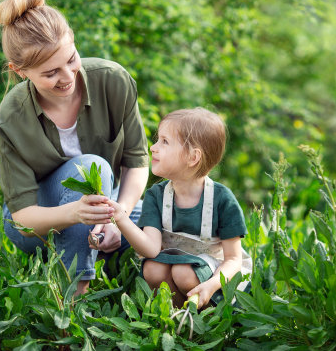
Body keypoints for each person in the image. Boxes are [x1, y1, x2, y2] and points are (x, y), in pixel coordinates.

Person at [0, 0, 149, 296]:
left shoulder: (113, 81)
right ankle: (75, 297)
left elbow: (137, 163)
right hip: (38, 226)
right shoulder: (11, 118)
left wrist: (118, 219)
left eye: (72, 59)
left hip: (106, 210)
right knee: (91, 168)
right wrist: (76, 214)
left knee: (165, 223)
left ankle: (225, 284)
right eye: (50, 73)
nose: (67, 77)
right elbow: (23, 217)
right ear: (19, 71)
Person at [107, 108, 252, 309]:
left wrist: (211, 285)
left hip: (215, 278)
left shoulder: (222, 199)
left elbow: (234, 260)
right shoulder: (156, 195)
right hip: (174, 266)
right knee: (152, 269)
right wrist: (121, 218)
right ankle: (173, 317)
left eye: (164, 142)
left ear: (193, 157)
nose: (153, 148)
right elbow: (150, 249)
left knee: (183, 273)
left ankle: (206, 319)